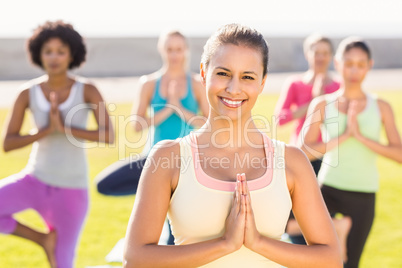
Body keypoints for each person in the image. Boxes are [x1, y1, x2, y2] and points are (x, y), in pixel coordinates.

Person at [123, 23, 342, 268]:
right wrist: (225, 244)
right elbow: (136, 259)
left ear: (262, 82)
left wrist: (258, 242)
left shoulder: (292, 161)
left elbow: (330, 259)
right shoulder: (168, 157)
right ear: (204, 73)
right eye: (223, 73)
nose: (233, 88)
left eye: (247, 77)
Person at [0, 21, 114, 268]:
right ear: (38, 53)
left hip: (71, 190)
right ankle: (42, 239)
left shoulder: (87, 90)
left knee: (62, 265)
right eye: (48, 51)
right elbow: (7, 143)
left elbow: (109, 135)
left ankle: (51, 244)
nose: (54, 57)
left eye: (61, 51)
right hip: (34, 180)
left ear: (72, 54)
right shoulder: (27, 92)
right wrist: (42, 132)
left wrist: (65, 129)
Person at [94, 30, 208, 245]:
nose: (174, 54)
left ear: (186, 51)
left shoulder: (196, 84)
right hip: (153, 160)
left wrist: (180, 108)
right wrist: (168, 108)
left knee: (174, 238)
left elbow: (210, 125)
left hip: (186, 163)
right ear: (162, 50)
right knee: (104, 184)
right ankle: (153, 196)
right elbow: (136, 125)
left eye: (179, 49)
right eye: (169, 49)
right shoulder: (148, 83)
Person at [300, 37, 402, 268]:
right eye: (348, 63)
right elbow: (304, 151)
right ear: (337, 63)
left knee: (350, 264)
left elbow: (399, 155)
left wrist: (361, 137)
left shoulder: (381, 106)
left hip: (364, 194)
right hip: (327, 191)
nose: (354, 70)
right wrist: (344, 137)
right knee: (317, 260)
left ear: (369, 65)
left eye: (360, 64)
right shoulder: (322, 104)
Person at [274, 34, 351, 252]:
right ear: (308, 54)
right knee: (290, 223)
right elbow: (280, 119)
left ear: (331, 57)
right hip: (299, 157)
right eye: (316, 52)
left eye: (325, 53)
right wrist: (313, 101)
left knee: (320, 219)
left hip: (328, 159)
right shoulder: (295, 84)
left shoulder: (339, 86)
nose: (320, 57)